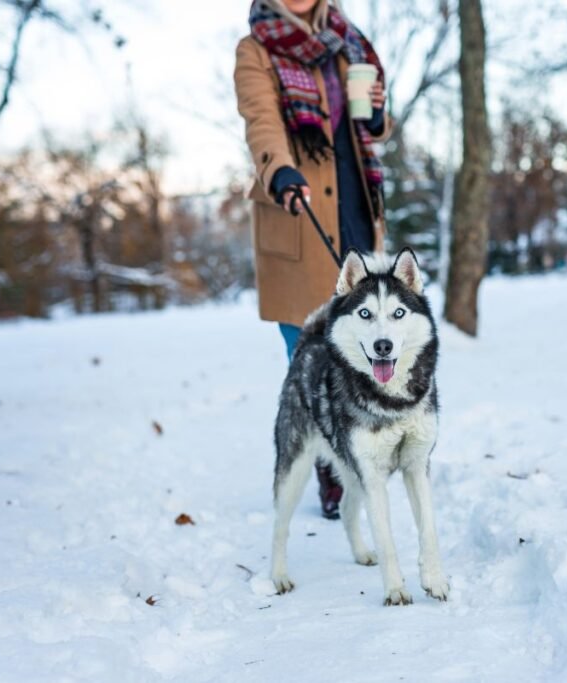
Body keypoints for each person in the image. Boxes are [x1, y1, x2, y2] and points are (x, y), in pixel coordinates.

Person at [234, 0, 392, 518]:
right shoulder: (256, 49)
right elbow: (261, 121)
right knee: (311, 354)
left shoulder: (347, 41)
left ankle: (366, 450)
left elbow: (373, 128)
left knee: (365, 339)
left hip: (354, 207)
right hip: (296, 211)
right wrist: (278, 170)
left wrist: (376, 109)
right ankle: (330, 470)